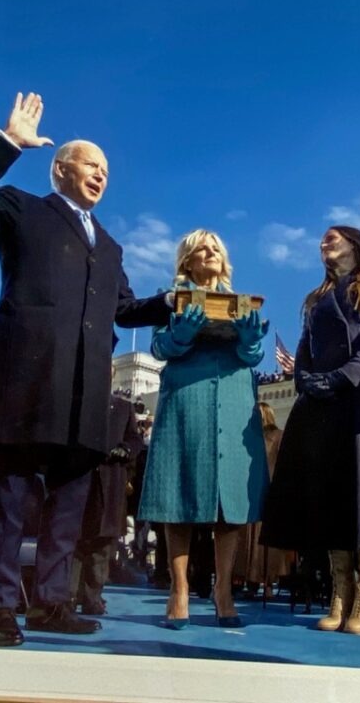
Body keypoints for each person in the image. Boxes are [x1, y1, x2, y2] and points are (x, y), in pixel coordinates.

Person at [0, 92, 173, 647]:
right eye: (92, 164)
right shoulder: (22, 208)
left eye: (107, 171)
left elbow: (124, 309)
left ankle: (51, 603)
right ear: (61, 168)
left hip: (86, 392)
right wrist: (6, 143)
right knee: (12, 500)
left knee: (69, 508)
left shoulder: (110, 245)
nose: (102, 175)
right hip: (29, 378)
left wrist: (173, 300)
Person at [262, 226, 360, 635]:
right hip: (320, 407)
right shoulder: (317, 297)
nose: (324, 241)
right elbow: (305, 344)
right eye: (322, 238)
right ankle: (339, 588)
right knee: (331, 496)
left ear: (355, 242)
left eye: (333, 236)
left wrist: (345, 377)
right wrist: (306, 380)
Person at [137, 229, 270, 629]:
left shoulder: (242, 302)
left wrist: (249, 340)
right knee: (177, 494)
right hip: (186, 399)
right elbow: (160, 349)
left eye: (216, 249)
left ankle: (223, 590)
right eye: (201, 249)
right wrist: (180, 333)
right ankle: (178, 590)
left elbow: (254, 355)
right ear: (187, 262)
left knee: (229, 505)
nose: (210, 253)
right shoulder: (172, 301)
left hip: (233, 400)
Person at [73, 393, 142, 616]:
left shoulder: (123, 407)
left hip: (111, 481)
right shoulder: (77, 397)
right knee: (75, 542)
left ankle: (93, 597)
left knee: (102, 545)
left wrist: (126, 449)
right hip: (79, 479)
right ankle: (68, 596)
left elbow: (134, 438)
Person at [234, 401, 294, 598]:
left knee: (267, 542)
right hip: (250, 492)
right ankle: (249, 581)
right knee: (248, 539)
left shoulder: (278, 436)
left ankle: (269, 583)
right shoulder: (249, 438)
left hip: (270, 493)